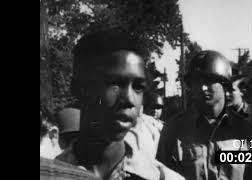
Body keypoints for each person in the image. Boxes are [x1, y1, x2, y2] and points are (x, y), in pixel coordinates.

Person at [57, 29, 184, 180]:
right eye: (114, 83)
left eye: (138, 87)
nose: (129, 100)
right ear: (79, 88)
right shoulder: (49, 175)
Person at [157, 50, 252, 180]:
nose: (203, 88)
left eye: (209, 81)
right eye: (197, 82)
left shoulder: (245, 130)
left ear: (224, 84)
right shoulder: (174, 129)